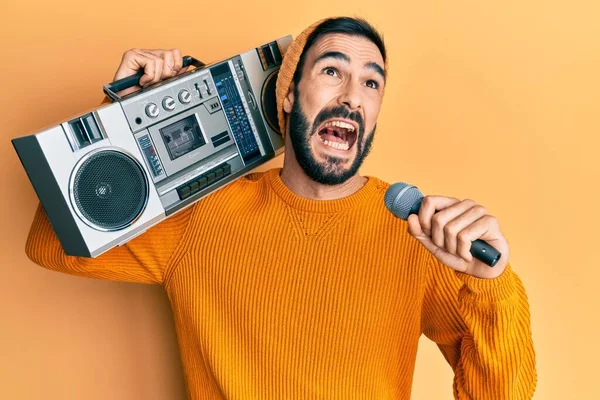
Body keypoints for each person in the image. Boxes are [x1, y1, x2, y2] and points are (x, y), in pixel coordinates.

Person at [25, 16, 537, 399]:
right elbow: (54, 245)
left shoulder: (417, 231)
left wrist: (493, 285)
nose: (353, 96)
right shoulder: (206, 214)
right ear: (289, 95)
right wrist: (121, 120)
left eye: (372, 81)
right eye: (332, 71)